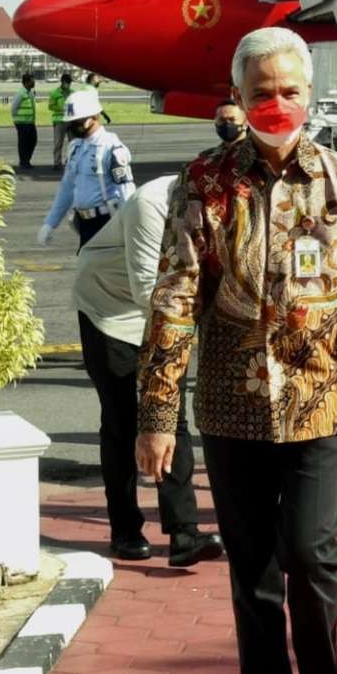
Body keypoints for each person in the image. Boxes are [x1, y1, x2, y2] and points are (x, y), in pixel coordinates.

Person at [135, 27, 337, 674]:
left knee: (310, 553)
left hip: (325, 399)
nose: (278, 104)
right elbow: (174, 299)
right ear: (238, 99)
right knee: (252, 568)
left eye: (290, 90)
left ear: (309, 94)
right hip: (232, 407)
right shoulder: (204, 183)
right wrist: (158, 414)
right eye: (262, 93)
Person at [74, 176, 225, 566]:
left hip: (171, 309)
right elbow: (147, 290)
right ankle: (124, 529)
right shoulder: (152, 203)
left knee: (170, 417)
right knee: (123, 420)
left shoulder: (224, 204)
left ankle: (184, 534)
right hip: (109, 308)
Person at [37, 88, 135, 250]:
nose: (73, 127)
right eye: (71, 123)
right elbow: (67, 188)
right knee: (90, 272)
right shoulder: (75, 147)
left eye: (78, 122)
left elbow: (126, 191)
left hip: (107, 222)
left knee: (93, 271)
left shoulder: (112, 148)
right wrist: (50, 223)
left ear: (94, 117)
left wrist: (131, 227)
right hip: (83, 224)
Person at [10, 72, 38, 170]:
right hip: (22, 123)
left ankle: (26, 160)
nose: (34, 82)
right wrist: (16, 120)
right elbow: (13, 108)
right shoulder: (20, 93)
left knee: (33, 141)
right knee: (23, 143)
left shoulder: (29, 92)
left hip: (30, 122)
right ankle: (23, 162)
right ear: (26, 82)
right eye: (32, 80)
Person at [47, 72, 74, 169]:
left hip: (71, 120)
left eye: (70, 83)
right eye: (67, 82)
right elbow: (50, 106)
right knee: (58, 143)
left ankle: (70, 161)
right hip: (59, 120)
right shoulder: (55, 93)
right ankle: (57, 162)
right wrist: (62, 108)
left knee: (73, 143)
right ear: (62, 82)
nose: (69, 85)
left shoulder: (72, 92)